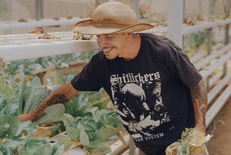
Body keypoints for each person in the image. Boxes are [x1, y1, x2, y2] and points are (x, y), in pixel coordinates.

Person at [20, 2, 207, 155]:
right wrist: (32, 115)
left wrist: (200, 126)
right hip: (148, 149)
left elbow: (197, 83)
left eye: (108, 36)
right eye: (98, 36)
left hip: (184, 145)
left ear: (129, 32)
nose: (102, 43)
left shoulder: (162, 51)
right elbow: (68, 91)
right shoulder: (102, 64)